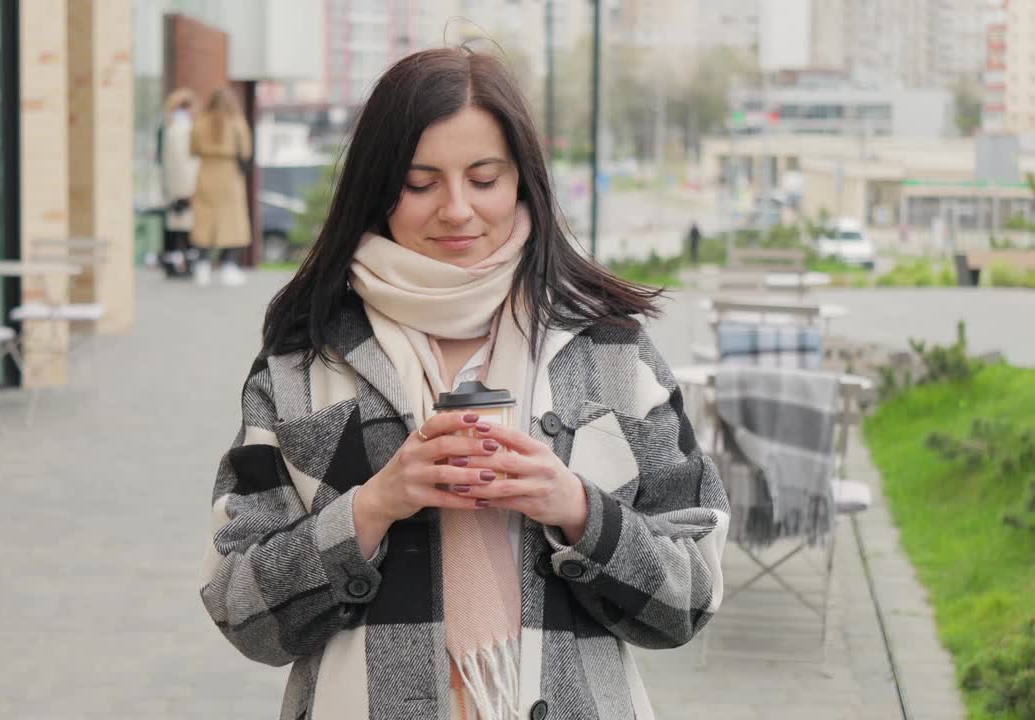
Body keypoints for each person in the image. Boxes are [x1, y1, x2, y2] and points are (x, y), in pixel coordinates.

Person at [200, 48, 728, 720]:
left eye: (484, 178)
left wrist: (576, 508)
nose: (456, 210)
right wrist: (372, 507)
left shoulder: (609, 350)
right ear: (375, 187)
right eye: (420, 184)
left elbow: (693, 594)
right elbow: (239, 606)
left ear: (521, 183)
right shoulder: (303, 360)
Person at [190, 87, 253, 286]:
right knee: (232, 221)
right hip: (229, 176)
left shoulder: (199, 123)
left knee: (204, 220)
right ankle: (227, 265)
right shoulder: (237, 123)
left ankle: (202, 266)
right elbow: (245, 152)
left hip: (206, 174)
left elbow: (192, 149)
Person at [159, 88, 201, 278]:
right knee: (185, 229)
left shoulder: (169, 127)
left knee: (174, 228)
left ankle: (174, 263)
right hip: (185, 185)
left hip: (173, 186)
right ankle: (184, 265)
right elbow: (185, 162)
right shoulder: (184, 129)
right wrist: (187, 189)